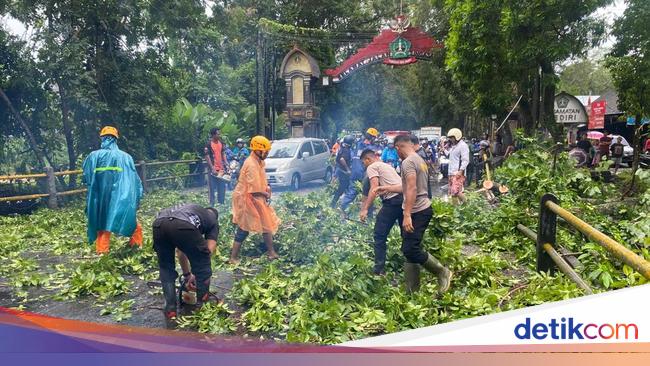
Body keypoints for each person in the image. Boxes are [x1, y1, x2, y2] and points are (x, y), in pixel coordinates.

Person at [375, 135, 452, 295]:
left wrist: (407, 214)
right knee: (410, 248)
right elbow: (406, 186)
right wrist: (388, 188)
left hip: (418, 211)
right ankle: (412, 291)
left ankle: (441, 272)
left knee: (410, 249)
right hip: (422, 208)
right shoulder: (419, 159)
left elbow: (412, 189)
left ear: (397, 147)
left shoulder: (408, 162)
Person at [152, 204, 219, 324]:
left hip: (159, 223)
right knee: (204, 268)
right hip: (182, 225)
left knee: (165, 266)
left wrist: (188, 275)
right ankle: (201, 305)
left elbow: (180, 250)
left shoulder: (194, 211)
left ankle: (170, 308)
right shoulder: (213, 221)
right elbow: (208, 252)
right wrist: (197, 273)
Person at [82, 126, 143, 255]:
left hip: (100, 197)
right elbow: (135, 181)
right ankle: (136, 247)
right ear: (116, 139)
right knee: (130, 221)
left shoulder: (93, 156)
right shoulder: (126, 157)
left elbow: (87, 177)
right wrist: (136, 198)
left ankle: (102, 253)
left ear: (102, 138)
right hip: (121, 197)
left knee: (102, 223)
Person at [229, 136, 281, 264]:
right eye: (266, 152)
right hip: (246, 198)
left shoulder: (259, 161)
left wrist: (267, 189)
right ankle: (233, 258)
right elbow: (253, 190)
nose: (267, 154)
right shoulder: (251, 164)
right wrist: (265, 194)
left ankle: (271, 252)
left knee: (266, 224)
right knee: (244, 228)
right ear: (257, 150)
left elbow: (262, 180)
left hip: (257, 197)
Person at [360, 149, 403, 275]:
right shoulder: (386, 165)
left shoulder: (372, 167)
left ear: (368, 159)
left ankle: (379, 270)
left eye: (364, 163)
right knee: (405, 234)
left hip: (393, 202)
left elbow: (373, 188)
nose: (364, 166)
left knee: (379, 235)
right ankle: (409, 264)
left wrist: (365, 209)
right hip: (404, 199)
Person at [204, 128, 229, 206]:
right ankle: (212, 205)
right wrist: (212, 168)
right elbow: (207, 156)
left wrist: (226, 163)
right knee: (212, 188)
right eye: (218, 134)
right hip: (212, 171)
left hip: (221, 170)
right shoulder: (208, 144)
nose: (219, 135)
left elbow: (223, 153)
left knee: (222, 188)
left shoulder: (221, 143)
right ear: (213, 135)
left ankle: (221, 204)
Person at [447, 128, 470, 205]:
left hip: (458, 172)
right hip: (451, 172)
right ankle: (455, 209)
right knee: (452, 192)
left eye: (452, 137)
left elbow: (465, 160)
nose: (450, 139)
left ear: (457, 136)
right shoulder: (454, 146)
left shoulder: (463, 146)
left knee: (456, 191)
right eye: (450, 138)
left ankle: (466, 205)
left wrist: (460, 171)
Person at [331, 135, 354, 209]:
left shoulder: (341, 148)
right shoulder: (346, 150)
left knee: (344, 188)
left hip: (340, 171)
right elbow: (342, 159)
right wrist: (348, 169)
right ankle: (337, 205)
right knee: (343, 189)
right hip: (344, 173)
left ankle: (337, 204)